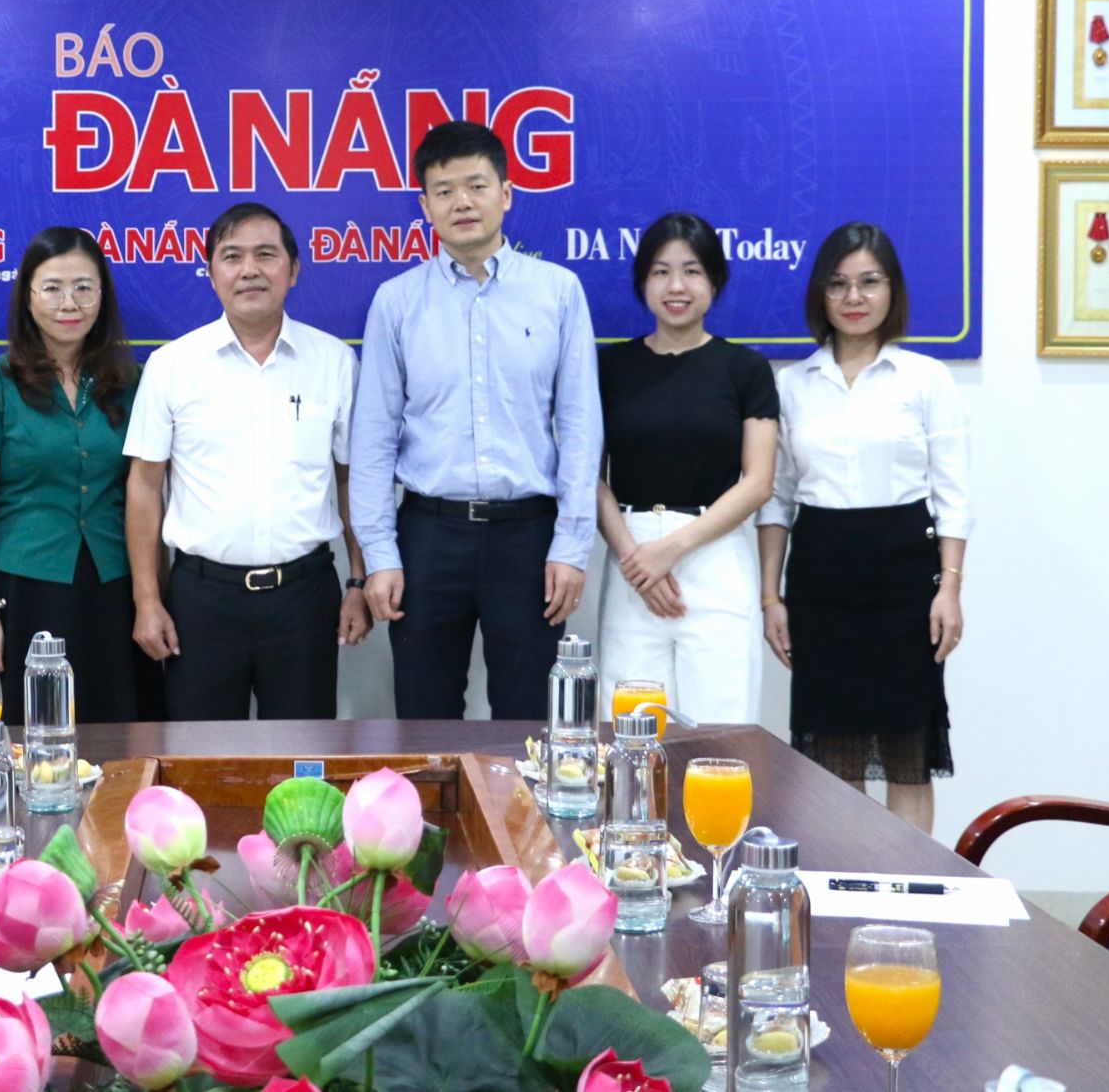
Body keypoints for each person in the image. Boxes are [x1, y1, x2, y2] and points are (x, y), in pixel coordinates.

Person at [349, 121, 601, 721]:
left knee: (528, 721)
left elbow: (581, 429)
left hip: (529, 538)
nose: (462, 202)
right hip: (429, 538)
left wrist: (572, 544)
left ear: (506, 194)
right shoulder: (398, 300)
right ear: (425, 206)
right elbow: (374, 439)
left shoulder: (559, 292)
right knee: (424, 716)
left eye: (476, 185)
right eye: (444, 190)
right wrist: (380, 554)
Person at [757, 222, 971, 832]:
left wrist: (949, 588)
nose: (854, 297)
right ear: (821, 296)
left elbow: (953, 495)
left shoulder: (926, 379)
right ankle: (842, 897)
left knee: (909, 757)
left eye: (869, 283)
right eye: (839, 284)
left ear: (891, 291)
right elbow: (777, 501)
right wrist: (771, 597)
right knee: (832, 755)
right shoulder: (792, 385)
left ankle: (909, 896)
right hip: (822, 578)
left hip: (906, 575)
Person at [124, 202, 369, 720]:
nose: (250, 270)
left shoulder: (334, 362)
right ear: (211, 272)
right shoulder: (172, 366)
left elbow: (353, 481)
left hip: (304, 598)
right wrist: (148, 601)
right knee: (203, 767)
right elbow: (144, 489)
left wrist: (358, 582)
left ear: (293, 269)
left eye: (266, 254)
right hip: (201, 601)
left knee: (303, 764)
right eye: (231, 256)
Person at [0, 227, 155, 721]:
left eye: (85, 287)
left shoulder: (133, 383)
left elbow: (146, 492)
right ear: (27, 298)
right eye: (53, 287)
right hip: (21, 588)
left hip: (113, 588)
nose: (70, 302)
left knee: (117, 732)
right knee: (31, 737)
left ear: (103, 297)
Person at [595, 213, 777, 724]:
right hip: (631, 558)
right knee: (631, 732)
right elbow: (589, 477)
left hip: (713, 554)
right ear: (642, 283)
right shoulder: (610, 367)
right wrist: (637, 560)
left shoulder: (746, 370)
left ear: (714, 281)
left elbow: (758, 482)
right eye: (660, 271)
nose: (676, 286)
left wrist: (671, 550)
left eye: (692, 271)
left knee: (721, 729)